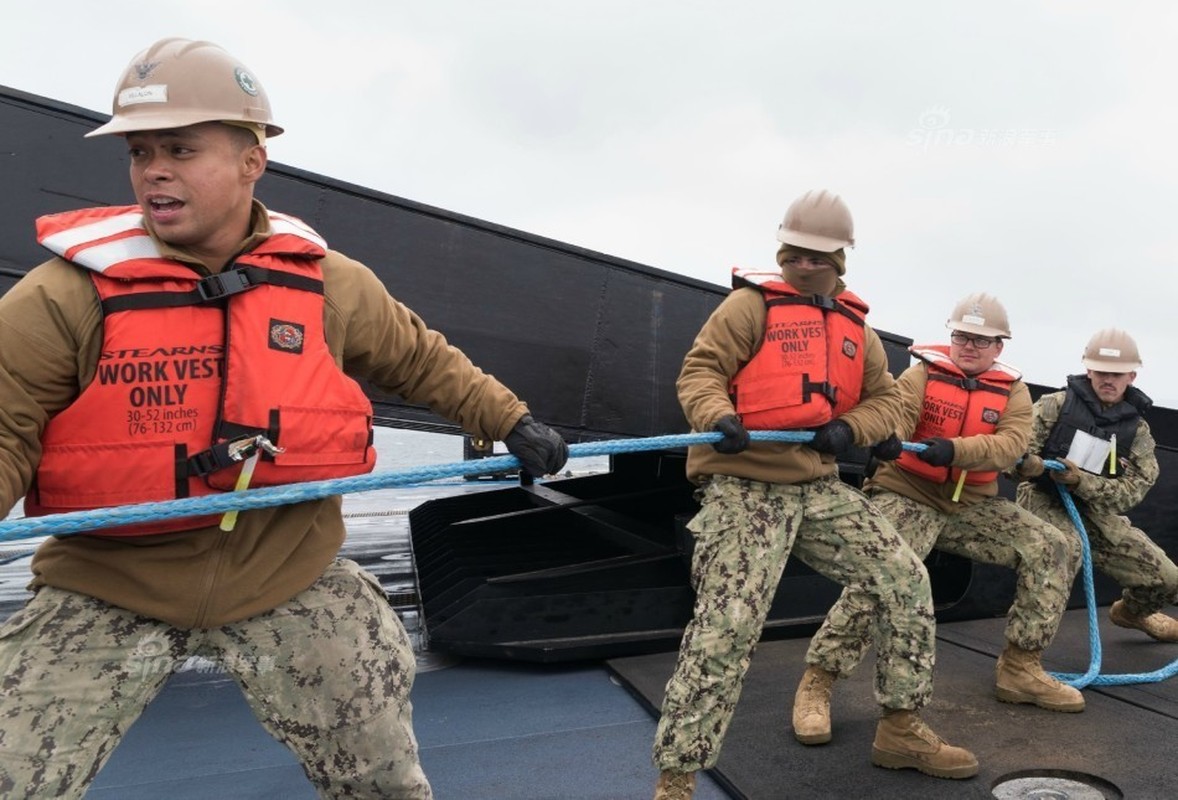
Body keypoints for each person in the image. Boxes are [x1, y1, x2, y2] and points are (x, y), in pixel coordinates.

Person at [0, 38, 568, 800]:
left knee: (383, 782)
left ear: (250, 161)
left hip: (286, 574)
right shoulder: (60, 296)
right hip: (109, 584)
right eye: (140, 152)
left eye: (180, 148)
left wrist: (509, 419)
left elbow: (421, 359)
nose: (153, 171)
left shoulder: (331, 285)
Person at [651, 190, 977, 800]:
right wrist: (716, 414)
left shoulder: (858, 330)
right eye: (794, 254)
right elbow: (700, 372)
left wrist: (855, 429)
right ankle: (678, 779)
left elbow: (889, 400)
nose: (803, 265)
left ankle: (901, 727)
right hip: (745, 487)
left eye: (817, 257)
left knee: (905, 578)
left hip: (820, 488)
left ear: (842, 260)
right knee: (726, 627)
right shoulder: (748, 309)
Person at [794, 293, 1085, 752]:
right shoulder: (922, 373)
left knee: (1054, 546)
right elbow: (900, 411)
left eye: (981, 340)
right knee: (883, 577)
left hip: (970, 504)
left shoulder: (1014, 392)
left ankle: (1021, 667)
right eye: (962, 337)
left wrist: (956, 449)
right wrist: (888, 436)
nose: (969, 346)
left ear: (998, 348)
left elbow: (1011, 446)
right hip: (908, 491)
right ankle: (819, 681)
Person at [1016, 328, 1178, 643]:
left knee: (1168, 578)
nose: (1109, 379)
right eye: (1102, 371)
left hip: (1097, 513)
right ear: (1088, 369)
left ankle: (1132, 613)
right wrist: (1026, 466)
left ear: (1131, 375)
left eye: (1117, 374)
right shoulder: (1054, 406)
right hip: (1044, 502)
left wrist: (1082, 482)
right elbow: (1012, 451)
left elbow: (1132, 492)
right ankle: (1023, 656)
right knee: (1063, 553)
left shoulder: (1137, 433)